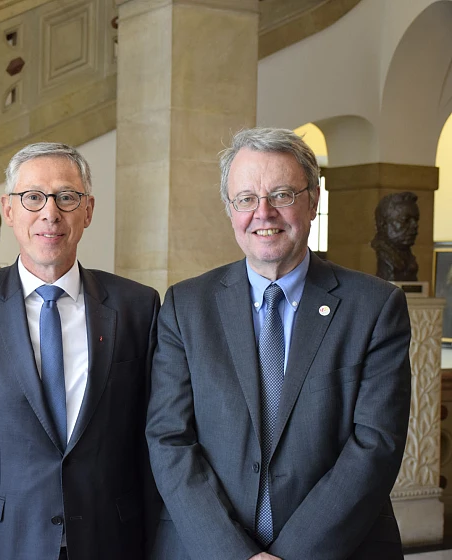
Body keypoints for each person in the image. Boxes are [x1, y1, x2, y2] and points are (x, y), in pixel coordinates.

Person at [147, 128, 411, 560]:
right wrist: (234, 553)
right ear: (230, 210)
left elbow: (376, 444)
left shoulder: (376, 307)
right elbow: (169, 438)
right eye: (246, 199)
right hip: (208, 549)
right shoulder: (185, 306)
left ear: (313, 200)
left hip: (337, 549)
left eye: (282, 194)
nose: (263, 213)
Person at [0, 142, 160, 560]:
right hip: (0, 543)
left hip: (111, 541)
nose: (50, 213)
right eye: (33, 197)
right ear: (9, 209)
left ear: (88, 211)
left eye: (67, 197)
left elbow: (151, 445)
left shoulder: (137, 307)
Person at [371, 191, 420, 281]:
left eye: (416, 220)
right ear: (383, 224)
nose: (414, 225)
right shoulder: (383, 256)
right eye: (405, 220)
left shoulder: (410, 258)